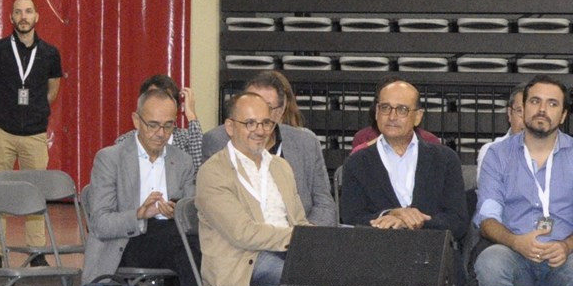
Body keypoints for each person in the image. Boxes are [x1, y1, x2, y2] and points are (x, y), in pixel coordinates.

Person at [472, 78, 573, 286]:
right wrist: (515, 242)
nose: (542, 109)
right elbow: (487, 218)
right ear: (523, 107)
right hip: (513, 252)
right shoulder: (497, 154)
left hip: (565, 255)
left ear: (563, 114)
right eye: (535, 101)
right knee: (488, 263)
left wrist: (566, 246)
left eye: (552, 103)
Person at [83, 79, 200, 286]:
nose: (161, 134)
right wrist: (139, 214)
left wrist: (177, 210)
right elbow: (100, 224)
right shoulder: (110, 159)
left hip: (173, 243)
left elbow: (193, 215)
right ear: (136, 120)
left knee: (190, 242)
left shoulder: (183, 161)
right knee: (188, 245)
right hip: (126, 242)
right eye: (153, 125)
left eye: (169, 126)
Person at [194, 92, 311, 286]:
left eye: (266, 123)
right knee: (308, 282)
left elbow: (299, 220)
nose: (260, 131)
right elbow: (243, 234)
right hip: (243, 262)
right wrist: (299, 237)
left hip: (287, 250)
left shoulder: (281, 167)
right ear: (230, 127)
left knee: (337, 272)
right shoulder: (213, 172)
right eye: (250, 123)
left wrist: (316, 242)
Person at [0, 0, 63, 268]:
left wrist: (35, 111)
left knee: (35, 195)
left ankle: (36, 252)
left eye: (28, 11)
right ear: (11, 18)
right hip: (2, 133)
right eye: (18, 12)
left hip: (35, 136)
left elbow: (53, 88)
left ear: (37, 17)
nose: (23, 17)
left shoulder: (50, 53)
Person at [336, 79, 469, 248]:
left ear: (418, 116)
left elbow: (458, 221)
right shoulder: (356, 162)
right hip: (376, 255)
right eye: (385, 108)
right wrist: (389, 215)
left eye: (402, 109)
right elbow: (351, 218)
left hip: (432, 255)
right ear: (376, 112)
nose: (392, 116)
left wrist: (414, 222)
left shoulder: (445, 159)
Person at [199, 70, 336, 227]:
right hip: (247, 243)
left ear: (279, 112)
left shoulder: (306, 143)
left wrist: (305, 239)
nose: (258, 114)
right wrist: (289, 238)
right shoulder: (217, 141)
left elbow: (325, 204)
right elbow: (223, 216)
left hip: (301, 237)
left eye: (266, 107)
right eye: (251, 104)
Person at [476, 84, 529, 174]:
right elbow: (488, 186)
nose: (525, 119)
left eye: (530, 112)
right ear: (509, 113)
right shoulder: (491, 151)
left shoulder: (553, 152)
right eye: (520, 111)